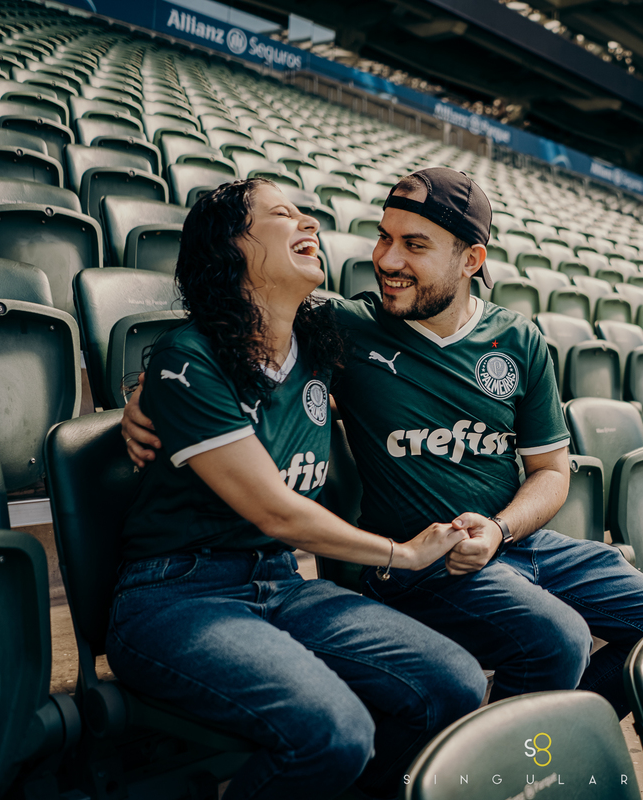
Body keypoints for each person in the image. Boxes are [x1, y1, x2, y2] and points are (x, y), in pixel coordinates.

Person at [123, 168, 643, 721]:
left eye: (414, 245)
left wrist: (502, 529)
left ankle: (551, 750)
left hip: (520, 541)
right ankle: (506, 772)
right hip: (424, 558)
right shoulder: (343, 326)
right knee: (556, 640)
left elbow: (551, 470)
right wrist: (140, 394)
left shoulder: (518, 338)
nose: (387, 261)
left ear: (471, 260)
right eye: (383, 238)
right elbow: (231, 331)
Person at [109, 178, 486, 800]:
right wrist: (403, 553)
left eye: (307, 212)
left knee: (454, 683)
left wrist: (141, 390)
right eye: (285, 214)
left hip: (281, 581)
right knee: (334, 732)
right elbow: (276, 510)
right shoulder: (188, 359)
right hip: (178, 596)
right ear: (232, 248)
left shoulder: (317, 345)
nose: (309, 222)